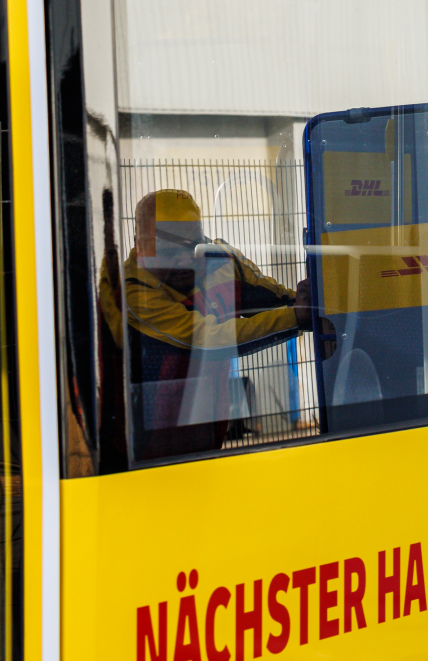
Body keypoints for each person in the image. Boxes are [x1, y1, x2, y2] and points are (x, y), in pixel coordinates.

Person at [112, 189, 323, 459]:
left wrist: (310, 301)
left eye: (191, 247)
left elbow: (278, 297)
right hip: (150, 436)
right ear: (140, 247)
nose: (183, 260)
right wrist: (298, 316)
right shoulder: (132, 292)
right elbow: (210, 339)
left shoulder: (221, 258)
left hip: (210, 420)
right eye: (167, 251)